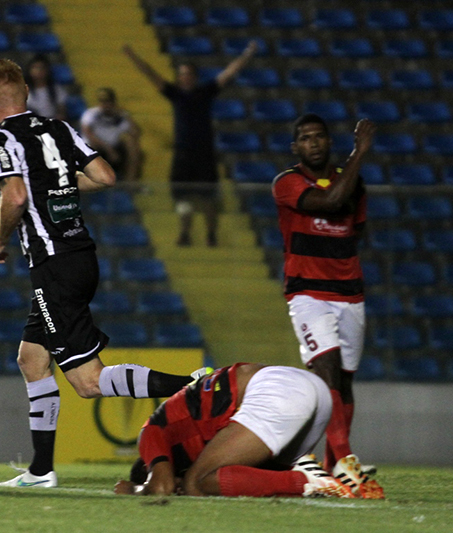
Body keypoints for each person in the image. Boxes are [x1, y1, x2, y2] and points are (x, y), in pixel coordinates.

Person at [0, 58, 198, 488]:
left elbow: (16, 195)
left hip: (53, 265)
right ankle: (41, 470)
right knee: (32, 358)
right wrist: (58, 185)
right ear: (26, 94)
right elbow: (105, 176)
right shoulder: (59, 129)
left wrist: (0, 239)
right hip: (80, 255)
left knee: (88, 381)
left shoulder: (0, 136)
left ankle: (193, 387)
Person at [272, 115, 377, 497]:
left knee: (345, 381)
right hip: (307, 292)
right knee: (328, 372)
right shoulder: (286, 181)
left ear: (328, 142)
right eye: (305, 138)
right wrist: (360, 153)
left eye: (319, 137)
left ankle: (335, 467)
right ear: (295, 147)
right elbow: (331, 200)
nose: (313, 143)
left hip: (349, 292)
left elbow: (356, 227)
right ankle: (347, 462)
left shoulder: (355, 183)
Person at [114, 363, 383, 498]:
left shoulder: (151, 433)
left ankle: (316, 483)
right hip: (306, 388)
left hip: (278, 391)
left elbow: (159, 486)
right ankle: (310, 477)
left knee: (200, 481)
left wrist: (135, 489)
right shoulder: (190, 436)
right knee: (253, 477)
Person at [123, 42, 257, 246]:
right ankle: (185, 232)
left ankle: (212, 233)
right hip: (183, 154)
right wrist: (133, 56)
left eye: (188, 74)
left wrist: (247, 55)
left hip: (205, 154)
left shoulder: (206, 92)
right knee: (182, 197)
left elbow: (229, 73)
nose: (185, 77)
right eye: (182, 74)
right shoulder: (175, 94)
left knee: (209, 198)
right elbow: (151, 74)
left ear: (194, 76)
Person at [80, 87, 143, 182]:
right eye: (102, 101)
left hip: (115, 147)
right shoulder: (92, 113)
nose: (105, 104)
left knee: (131, 144)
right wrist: (108, 150)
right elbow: (88, 133)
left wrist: (126, 116)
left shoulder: (120, 116)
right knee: (90, 147)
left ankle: (130, 183)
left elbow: (135, 133)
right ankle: (90, 181)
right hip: (98, 147)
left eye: (108, 101)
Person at [25, 54, 68, 120]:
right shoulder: (24, 91)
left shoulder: (56, 90)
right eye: (35, 68)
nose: (39, 71)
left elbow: (61, 111)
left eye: (42, 68)